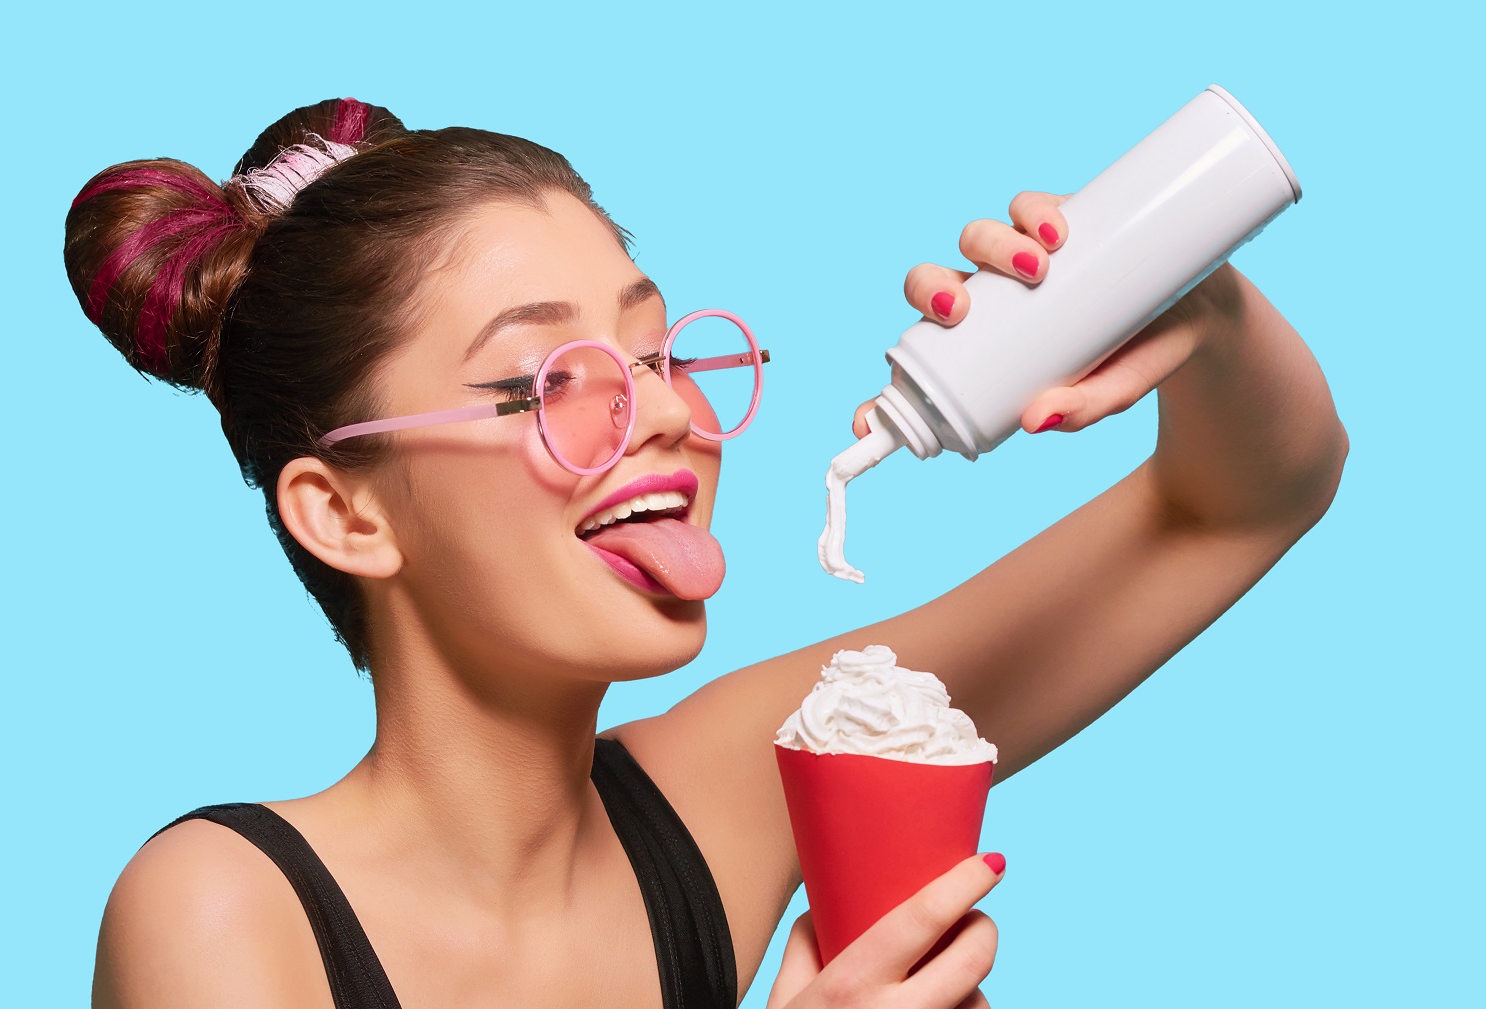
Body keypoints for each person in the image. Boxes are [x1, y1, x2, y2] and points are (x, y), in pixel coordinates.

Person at [67, 98, 1347, 1009]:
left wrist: (1186, 296)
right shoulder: (221, 912)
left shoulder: (731, 791)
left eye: (657, 352)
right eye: (556, 376)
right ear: (345, 512)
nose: (671, 414)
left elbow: (1239, 501)